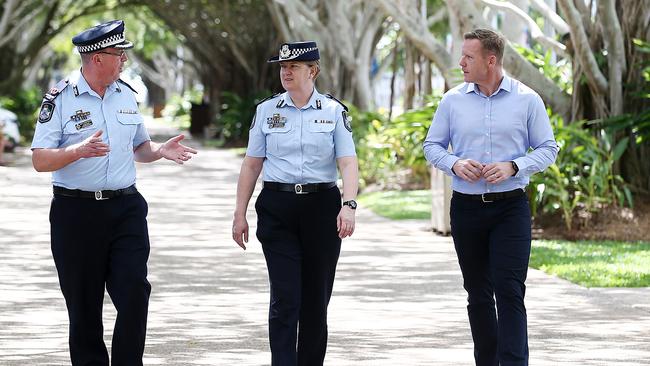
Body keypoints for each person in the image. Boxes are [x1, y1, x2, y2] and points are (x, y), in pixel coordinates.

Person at [31, 20, 197, 366]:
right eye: (118, 54)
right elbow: (40, 160)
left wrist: (159, 151)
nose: (124, 60)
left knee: (135, 291)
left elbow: (140, 147)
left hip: (126, 209)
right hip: (75, 214)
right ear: (96, 58)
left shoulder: (125, 94)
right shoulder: (59, 98)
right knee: (84, 305)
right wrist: (76, 151)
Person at [423, 28, 558, 366]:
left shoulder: (527, 100)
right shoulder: (452, 100)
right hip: (466, 210)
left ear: (491, 60)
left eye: (468, 57)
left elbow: (548, 149)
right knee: (479, 294)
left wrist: (515, 166)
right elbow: (432, 146)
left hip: (510, 208)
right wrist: (455, 164)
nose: (461, 63)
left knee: (510, 291)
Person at [232, 41, 358, 366]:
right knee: (286, 297)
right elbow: (251, 165)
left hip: (321, 208)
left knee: (315, 301)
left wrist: (349, 204)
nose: (286, 72)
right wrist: (239, 214)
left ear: (313, 71)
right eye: (283, 67)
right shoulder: (266, 111)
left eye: (294, 67)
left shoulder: (333, 111)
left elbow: (348, 163)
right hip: (278, 207)